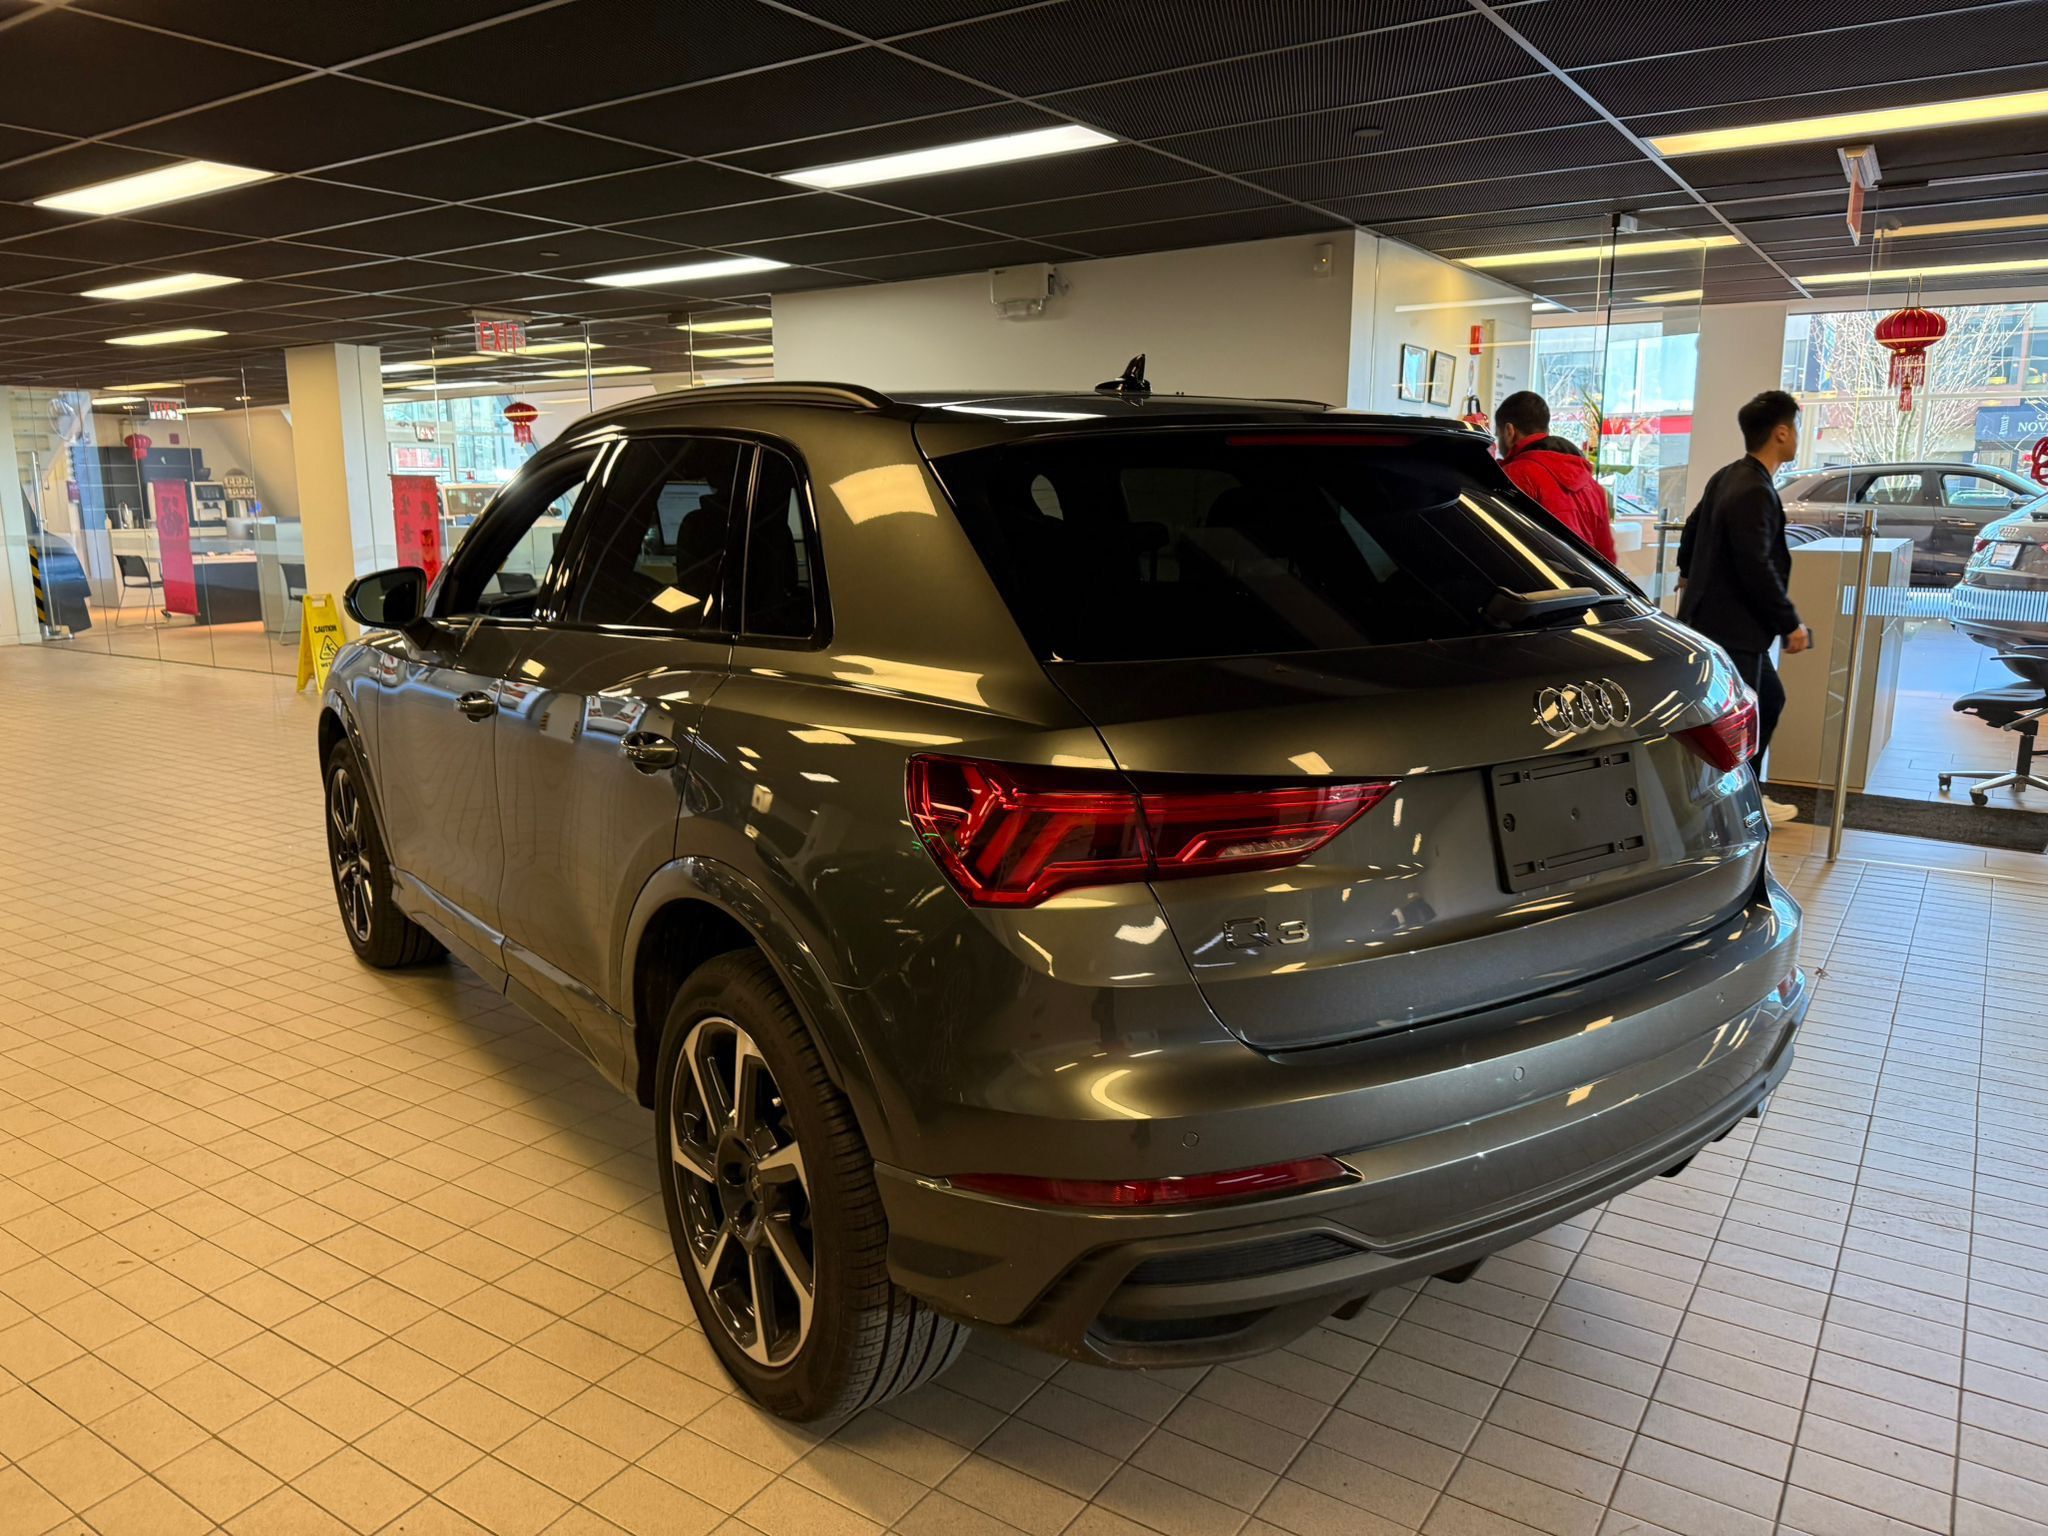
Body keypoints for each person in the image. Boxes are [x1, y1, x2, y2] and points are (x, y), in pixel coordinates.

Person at [1677, 389, 1812, 824]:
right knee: (1743, 718)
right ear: (1781, 432)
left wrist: (1689, 574)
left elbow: (1692, 527)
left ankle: (1742, 796)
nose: (1798, 436)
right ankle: (1736, 805)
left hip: (1716, 622)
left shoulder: (1729, 476)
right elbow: (1756, 565)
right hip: (1733, 627)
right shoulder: (1754, 488)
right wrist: (1789, 623)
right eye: (1797, 428)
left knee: (1764, 702)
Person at [1494, 390, 1617, 562]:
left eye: (1498, 435)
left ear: (1509, 431)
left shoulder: (1515, 475)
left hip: (1536, 579)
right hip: (1584, 579)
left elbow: (1500, 549)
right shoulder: (1593, 487)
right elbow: (1607, 559)